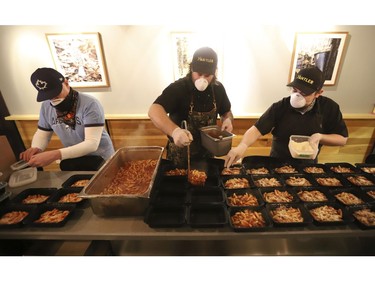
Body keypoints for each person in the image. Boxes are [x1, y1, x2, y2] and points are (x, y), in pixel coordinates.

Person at [225, 66, 348, 167]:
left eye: (304, 93)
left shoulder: (329, 107)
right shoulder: (281, 106)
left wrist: (320, 137)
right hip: (277, 163)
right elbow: (257, 129)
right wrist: (242, 146)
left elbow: (342, 139)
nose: (297, 96)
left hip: (308, 165)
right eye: (295, 90)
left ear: (318, 93)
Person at [148, 47, 234, 167]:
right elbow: (154, 110)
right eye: (198, 74)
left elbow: (226, 111)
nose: (202, 79)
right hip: (180, 156)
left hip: (207, 156)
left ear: (214, 73)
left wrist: (228, 119)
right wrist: (175, 131)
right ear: (191, 68)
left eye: (207, 75)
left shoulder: (218, 89)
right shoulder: (178, 88)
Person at [20, 67, 115, 170]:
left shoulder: (90, 104)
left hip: (101, 158)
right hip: (73, 158)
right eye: (49, 96)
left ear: (66, 83)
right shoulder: (46, 106)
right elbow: (43, 133)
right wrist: (36, 148)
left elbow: (91, 143)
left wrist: (55, 155)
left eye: (56, 93)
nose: (53, 99)